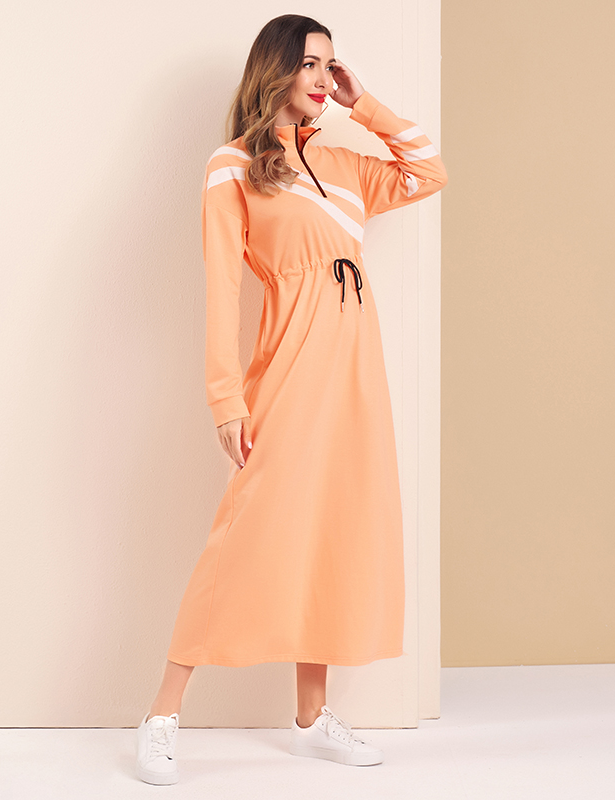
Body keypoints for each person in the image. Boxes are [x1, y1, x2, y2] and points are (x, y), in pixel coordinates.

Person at [135, 14, 448, 785]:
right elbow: (221, 287)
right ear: (273, 69)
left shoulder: (343, 165)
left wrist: (361, 101)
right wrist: (225, 399)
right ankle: (162, 715)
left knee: (334, 530)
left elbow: (428, 168)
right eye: (309, 63)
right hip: (289, 370)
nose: (321, 77)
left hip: (357, 374)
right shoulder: (233, 166)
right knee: (245, 535)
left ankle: (311, 718)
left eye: (330, 65)